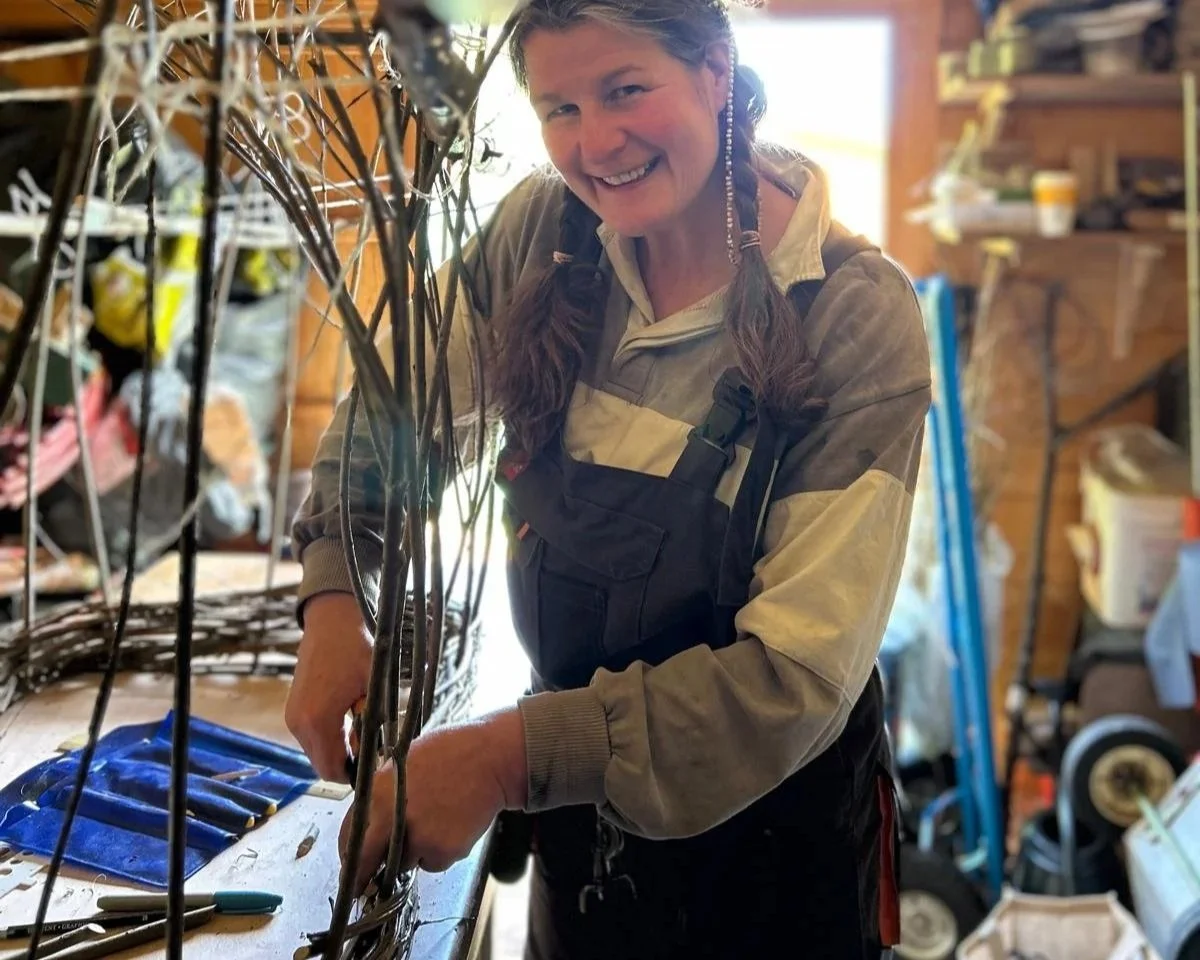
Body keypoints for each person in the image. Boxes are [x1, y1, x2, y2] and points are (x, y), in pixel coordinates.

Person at [285, 0, 931, 956]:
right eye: (560, 109)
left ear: (716, 71)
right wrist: (338, 592)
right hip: (579, 825)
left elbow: (791, 679)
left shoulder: (850, 317)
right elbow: (395, 413)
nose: (598, 144)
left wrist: (507, 758)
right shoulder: (545, 236)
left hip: (769, 859)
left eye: (627, 90)